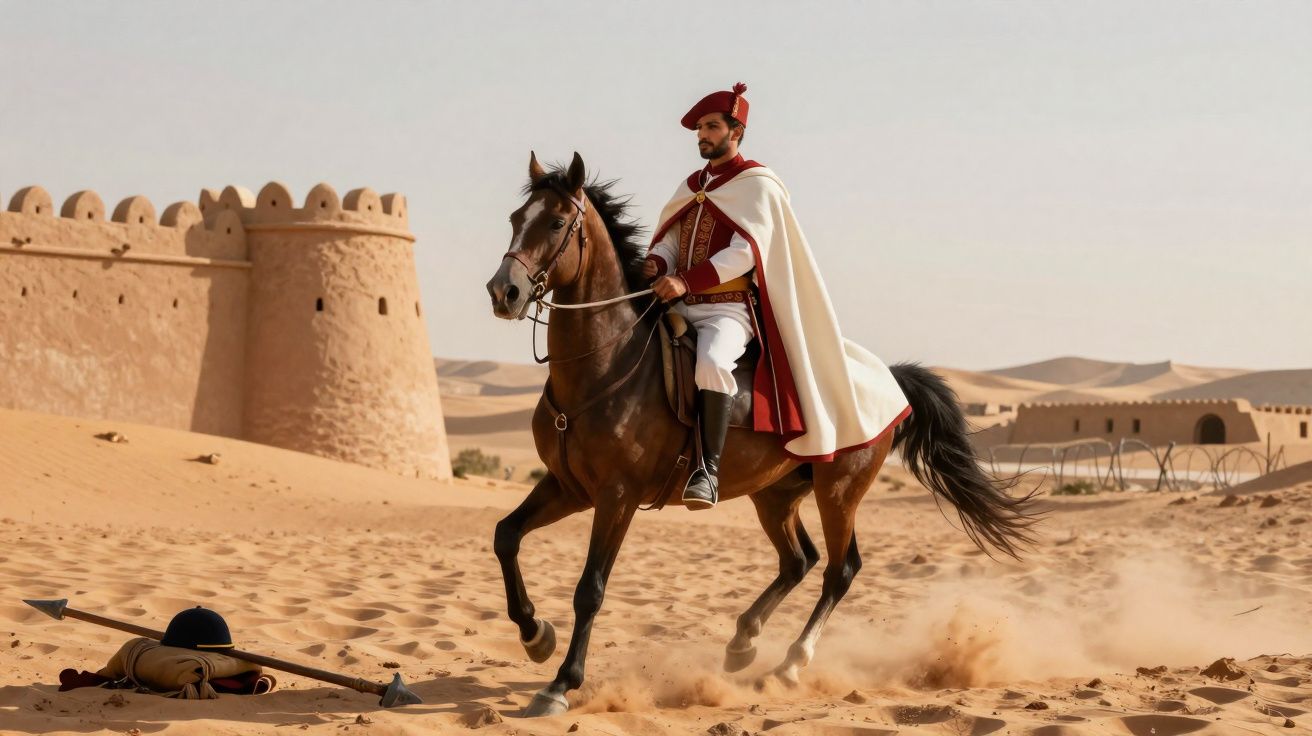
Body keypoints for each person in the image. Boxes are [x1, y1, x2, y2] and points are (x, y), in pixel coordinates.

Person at [645, 83, 912, 510]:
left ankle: (707, 472)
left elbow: (748, 251)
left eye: (711, 126)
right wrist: (657, 264)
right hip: (678, 306)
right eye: (699, 128)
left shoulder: (758, 185)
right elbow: (671, 242)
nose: (702, 135)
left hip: (727, 312)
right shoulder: (692, 185)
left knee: (712, 363)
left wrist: (687, 282)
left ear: (737, 131)